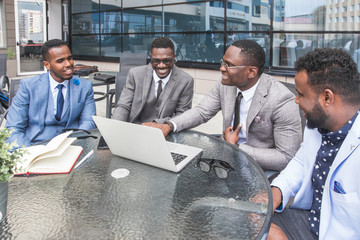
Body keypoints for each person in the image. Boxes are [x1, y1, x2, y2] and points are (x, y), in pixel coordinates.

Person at [144, 40, 302, 172]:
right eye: (222, 62)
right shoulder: (225, 84)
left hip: (259, 169)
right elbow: (202, 111)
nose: (221, 69)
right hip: (226, 157)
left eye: (229, 65)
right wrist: (169, 125)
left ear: (252, 72)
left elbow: (286, 157)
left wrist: (237, 147)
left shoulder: (282, 101)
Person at [269, 48, 360, 240]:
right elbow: (302, 161)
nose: (296, 99)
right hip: (312, 220)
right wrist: (277, 190)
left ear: (327, 97)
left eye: (301, 94)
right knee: (249, 222)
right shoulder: (318, 123)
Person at [6, 39, 96, 147]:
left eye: (70, 58)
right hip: (35, 145)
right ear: (47, 65)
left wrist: (75, 142)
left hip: (71, 144)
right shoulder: (28, 87)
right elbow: (14, 127)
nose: (68, 64)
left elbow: (89, 121)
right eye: (60, 61)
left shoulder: (85, 87)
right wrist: (28, 153)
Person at [112, 37, 194, 124]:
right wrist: (115, 127)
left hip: (165, 131)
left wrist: (159, 125)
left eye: (167, 61)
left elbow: (182, 116)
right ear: (151, 56)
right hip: (136, 127)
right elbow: (123, 106)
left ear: (174, 57)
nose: (161, 66)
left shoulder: (186, 81)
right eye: (156, 61)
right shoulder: (135, 74)